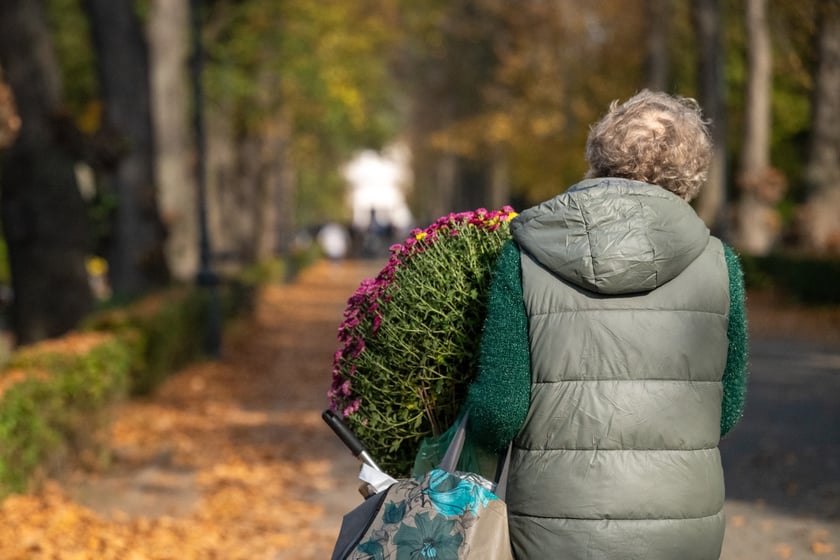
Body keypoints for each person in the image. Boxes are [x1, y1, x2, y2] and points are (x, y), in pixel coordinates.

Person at [463, 90, 749, 559]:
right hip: (681, 523)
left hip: (554, 524)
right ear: (691, 172)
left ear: (599, 154)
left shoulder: (525, 255)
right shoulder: (720, 265)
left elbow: (500, 410)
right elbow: (727, 409)